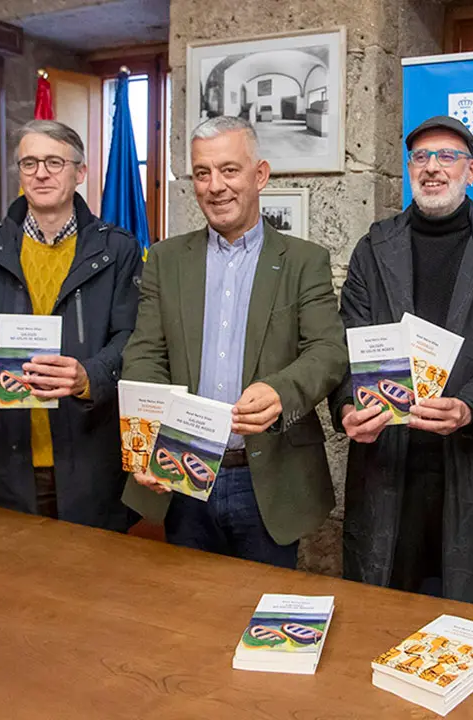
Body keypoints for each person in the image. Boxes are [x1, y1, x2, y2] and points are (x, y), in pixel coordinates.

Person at [333, 115, 473, 608]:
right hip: (390, 464)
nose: (432, 168)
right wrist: (346, 406)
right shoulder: (373, 247)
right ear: (410, 169)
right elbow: (346, 344)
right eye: (421, 158)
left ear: (471, 171)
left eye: (447, 157)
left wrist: (469, 406)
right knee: (378, 614)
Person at [121, 116, 346, 569]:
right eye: (202, 173)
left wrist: (282, 391)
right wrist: (143, 440)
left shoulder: (304, 261)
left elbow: (328, 352)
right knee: (187, 618)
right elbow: (145, 354)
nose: (215, 186)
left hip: (268, 478)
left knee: (264, 622)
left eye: (229, 170)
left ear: (259, 175)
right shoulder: (165, 260)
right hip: (182, 471)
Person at [0, 120, 142, 530]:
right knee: (0, 591)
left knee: (91, 590)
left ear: (80, 172)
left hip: (90, 466)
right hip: (1, 465)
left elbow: (134, 339)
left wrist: (90, 375)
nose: (41, 173)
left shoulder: (117, 250)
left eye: (55, 161)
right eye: (30, 162)